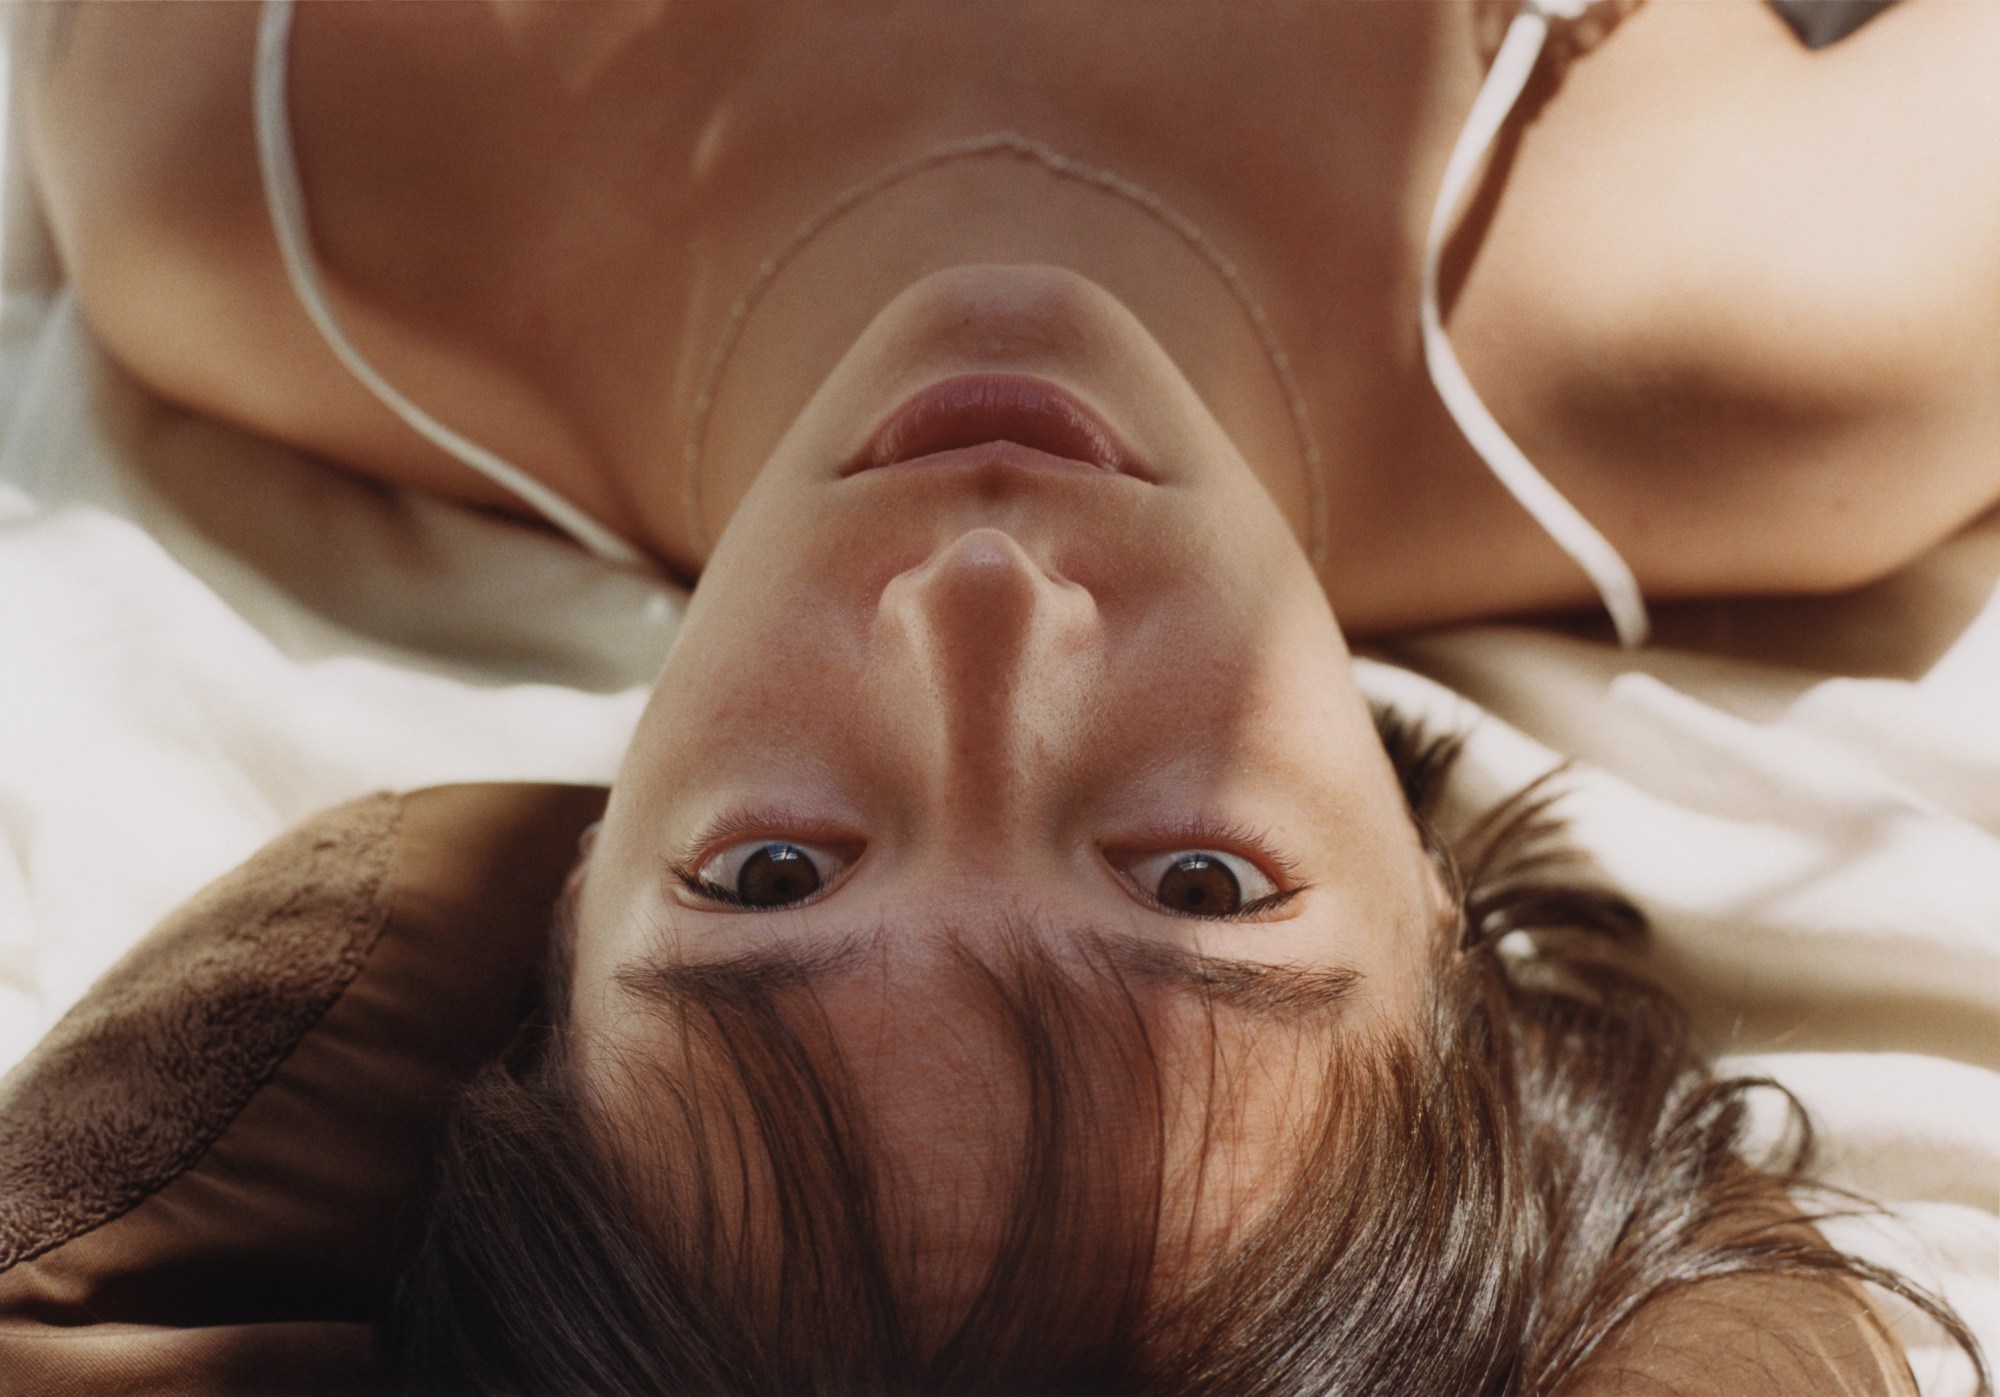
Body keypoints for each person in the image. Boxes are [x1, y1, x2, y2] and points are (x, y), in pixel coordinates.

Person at [18, 1, 1998, 1392]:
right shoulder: (1789, 328)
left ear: (558, 908)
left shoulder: (255, 179)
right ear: (1453, 936)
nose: (983, 610)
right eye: (1200, 888)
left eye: (774, 872)